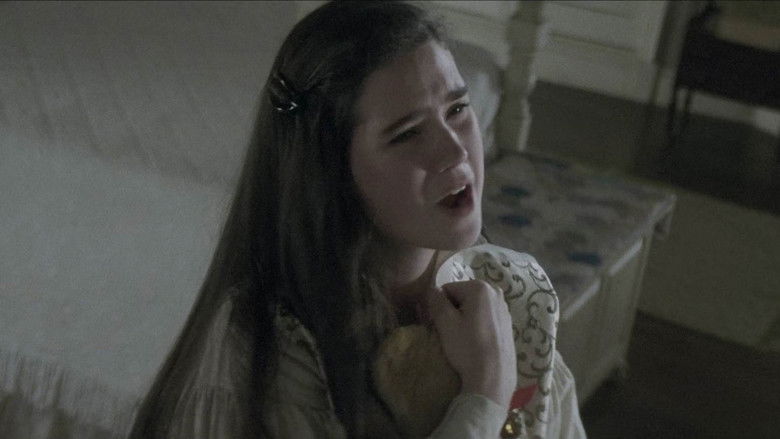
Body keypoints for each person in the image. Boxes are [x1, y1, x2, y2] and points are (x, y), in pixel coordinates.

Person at [129, 1, 585, 438]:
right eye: (407, 133)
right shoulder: (265, 352)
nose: (455, 150)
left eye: (458, 110)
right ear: (331, 171)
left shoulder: (509, 289)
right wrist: (484, 394)